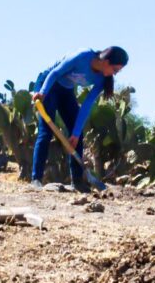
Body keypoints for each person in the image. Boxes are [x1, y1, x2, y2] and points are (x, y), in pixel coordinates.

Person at [30, 46, 128, 191]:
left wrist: (75, 133)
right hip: (49, 81)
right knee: (46, 131)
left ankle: (77, 182)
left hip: (66, 90)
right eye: (115, 70)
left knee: (77, 134)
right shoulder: (83, 56)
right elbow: (55, 73)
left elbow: (87, 104)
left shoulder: (102, 79)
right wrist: (43, 92)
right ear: (106, 61)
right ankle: (36, 179)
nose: (115, 74)